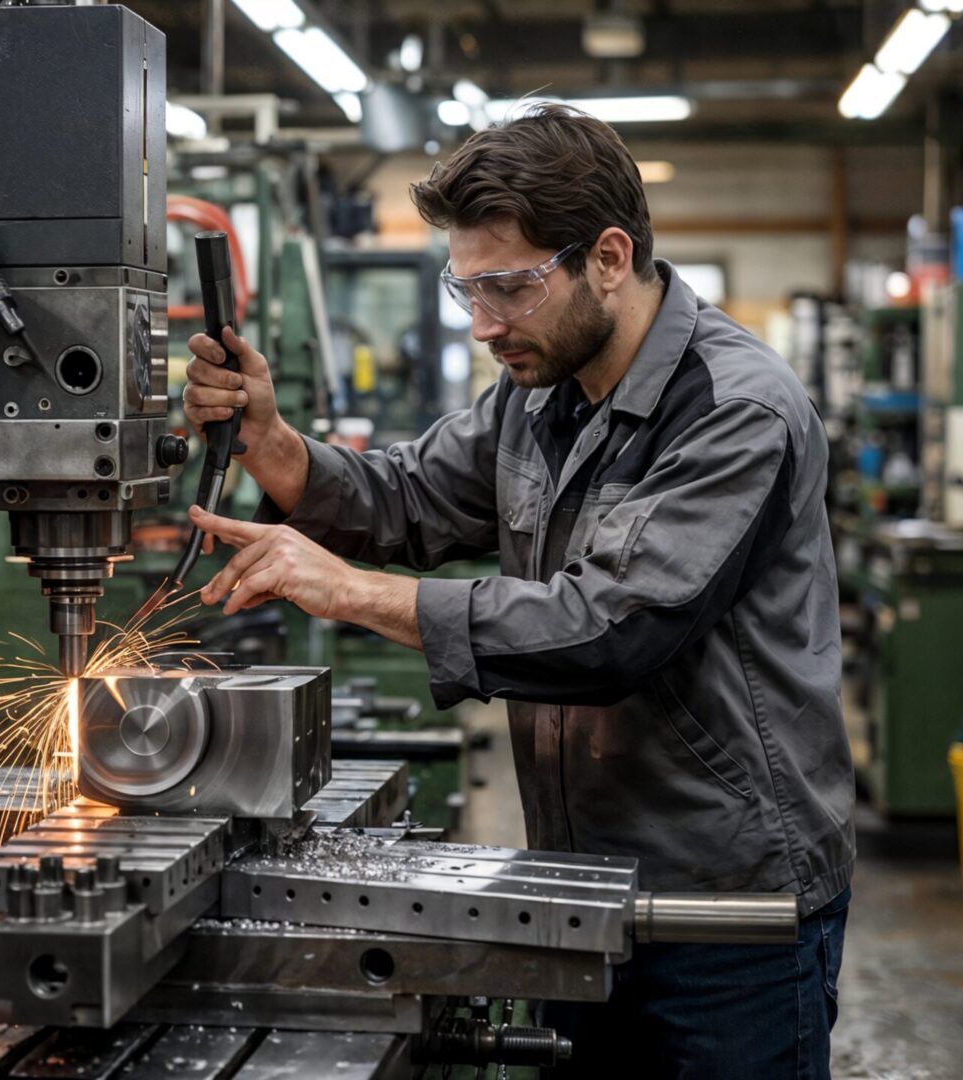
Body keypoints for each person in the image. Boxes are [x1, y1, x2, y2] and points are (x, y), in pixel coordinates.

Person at [180, 104, 855, 1078]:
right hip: (580, 882)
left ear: (609, 258)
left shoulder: (735, 410)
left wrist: (355, 594)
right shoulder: (537, 395)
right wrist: (272, 446)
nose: (487, 324)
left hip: (727, 912)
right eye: (468, 291)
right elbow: (408, 496)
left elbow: (610, 631)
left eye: (509, 287)